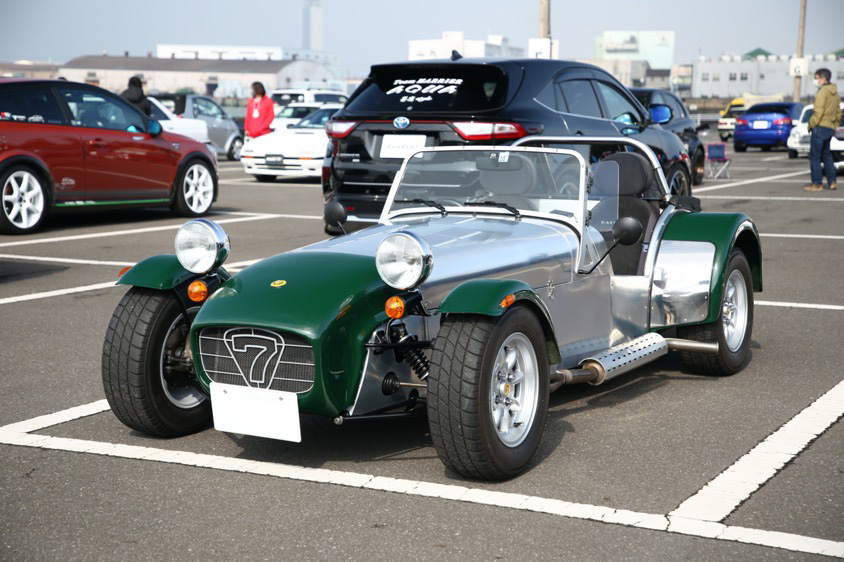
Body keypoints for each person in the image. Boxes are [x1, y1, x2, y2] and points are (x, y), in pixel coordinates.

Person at [804, 68, 841, 192]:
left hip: (820, 126)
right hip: (830, 127)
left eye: (817, 77)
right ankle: (832, 182)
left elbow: (818, 111)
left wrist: (811, 125)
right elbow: (838, 112)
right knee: (827, 155)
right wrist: (834, 125)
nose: (816, 80)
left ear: (823, 79)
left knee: (815, 156)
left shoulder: (822, 92)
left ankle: (817, 183)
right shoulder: (835, 92)